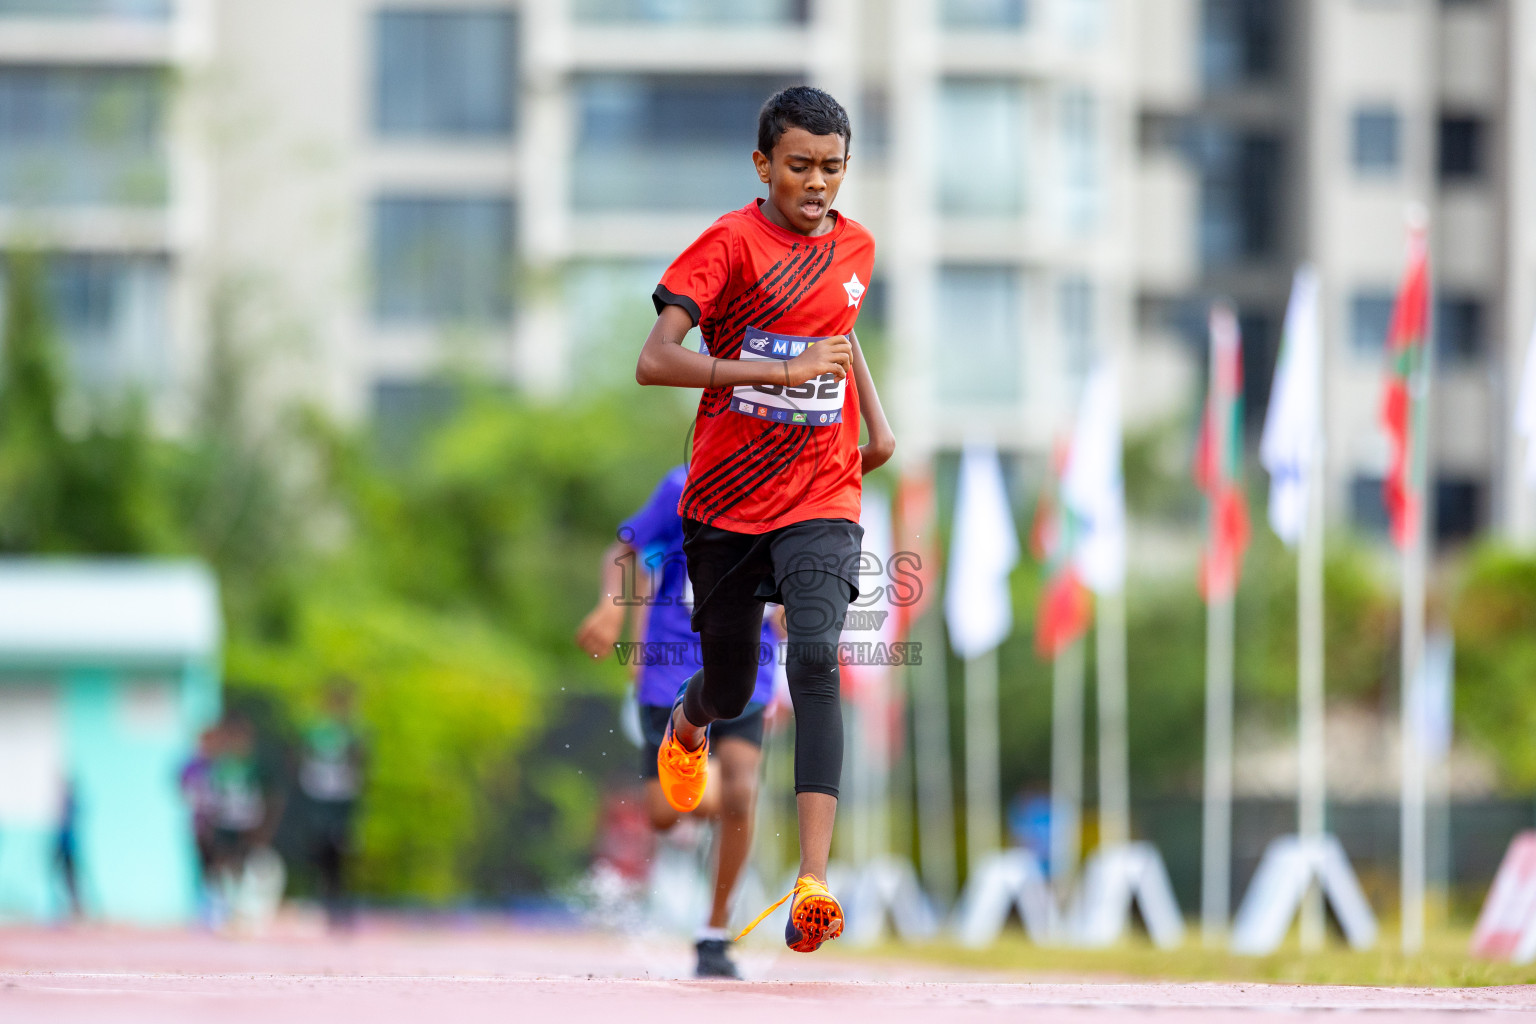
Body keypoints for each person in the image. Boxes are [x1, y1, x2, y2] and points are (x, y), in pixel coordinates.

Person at [633, 85, 894, 953]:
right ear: (763, 165)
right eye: (799, 166)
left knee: (817, 660)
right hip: (727, 505)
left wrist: (875, 421)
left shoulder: (857, 246)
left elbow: (841, 332)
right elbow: (656, 360)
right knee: (735, 684)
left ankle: (813, 883)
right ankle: (688, 722)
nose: (816, 183)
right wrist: (770, 376)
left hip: (823, 497)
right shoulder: (730, 244)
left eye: (832, 167)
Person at [576, 463, 781, 978]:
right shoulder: (682, 484)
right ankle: (697, 770)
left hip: (747, 662)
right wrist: (610, 607)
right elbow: (623, 546)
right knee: (667, 813)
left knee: (743, 789)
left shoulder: (787, 484)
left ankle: (714, 934)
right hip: (670, 668)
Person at [296, 678, 366, 930]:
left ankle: (341, 903)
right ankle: (324, 901)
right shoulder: (315, 732)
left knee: (342, 853)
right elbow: (302, 760)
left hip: (342, 801)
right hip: (318, 799)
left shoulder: (354, 733)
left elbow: (360, 766)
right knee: (320, 852)